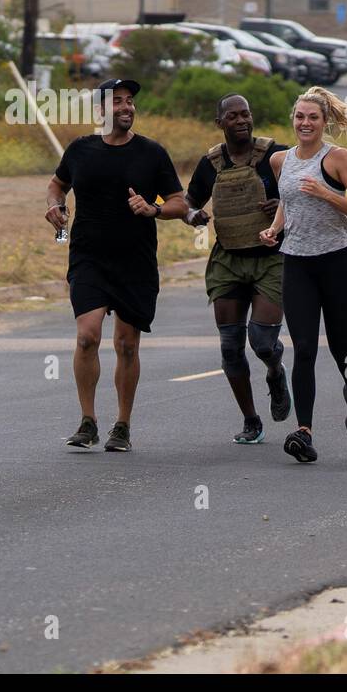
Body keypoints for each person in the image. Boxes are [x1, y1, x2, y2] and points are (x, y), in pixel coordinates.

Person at [45, 79, 186, 452]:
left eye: (130, 102)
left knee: (126, 344)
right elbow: (57, 185)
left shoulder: (152, 154)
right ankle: (88, 421)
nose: (126, 107)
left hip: (135, 261)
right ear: (101, 111)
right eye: (117, 102)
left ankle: (121, 424)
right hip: (89, 257)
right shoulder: (80, 150)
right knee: (87, 336)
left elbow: (179, 203)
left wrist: (153, 209)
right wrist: (55, 206)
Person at [259, 87, 347, 463]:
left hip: (337, 260)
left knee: (342, 347)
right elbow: (289, 203)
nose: (305, 123)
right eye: (300, 117)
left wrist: (327, 194)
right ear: (293, 120)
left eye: (313, 118)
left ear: (325, 123)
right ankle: (303, 432)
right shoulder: (280, 161)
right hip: (297, 263)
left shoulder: (337, 158)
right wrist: (276, 229)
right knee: (303, 348)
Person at [183, 94, 291, 444]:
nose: (242, 120)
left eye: (246, 113)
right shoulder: (211, 162)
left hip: (271, 257)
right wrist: (192, 215)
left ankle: (275, 370)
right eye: (233, 116)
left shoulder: (277, 155)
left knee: (261, 342)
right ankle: (251, 420)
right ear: (220, 123)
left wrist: (284, 204)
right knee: (230, 346)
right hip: (228, 259)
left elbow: (309, 187)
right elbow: (188, 200)